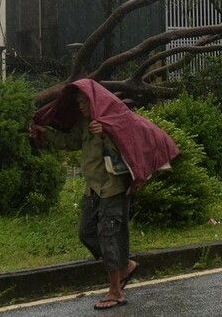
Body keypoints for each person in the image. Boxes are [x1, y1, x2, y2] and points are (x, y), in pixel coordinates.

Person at [31, 79, 178, 311]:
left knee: (109, 236)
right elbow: (70, 142)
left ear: (93, 101)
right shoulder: (83, 123)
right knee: (87, 233)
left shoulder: (113, 120)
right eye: (77, 102)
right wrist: (45, 133)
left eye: (83, 102)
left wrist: (105, 133)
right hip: (93, 188)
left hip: (112, 187)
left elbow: (127, 145)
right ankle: (124, 265)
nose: (80, 106)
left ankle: (116, 292)